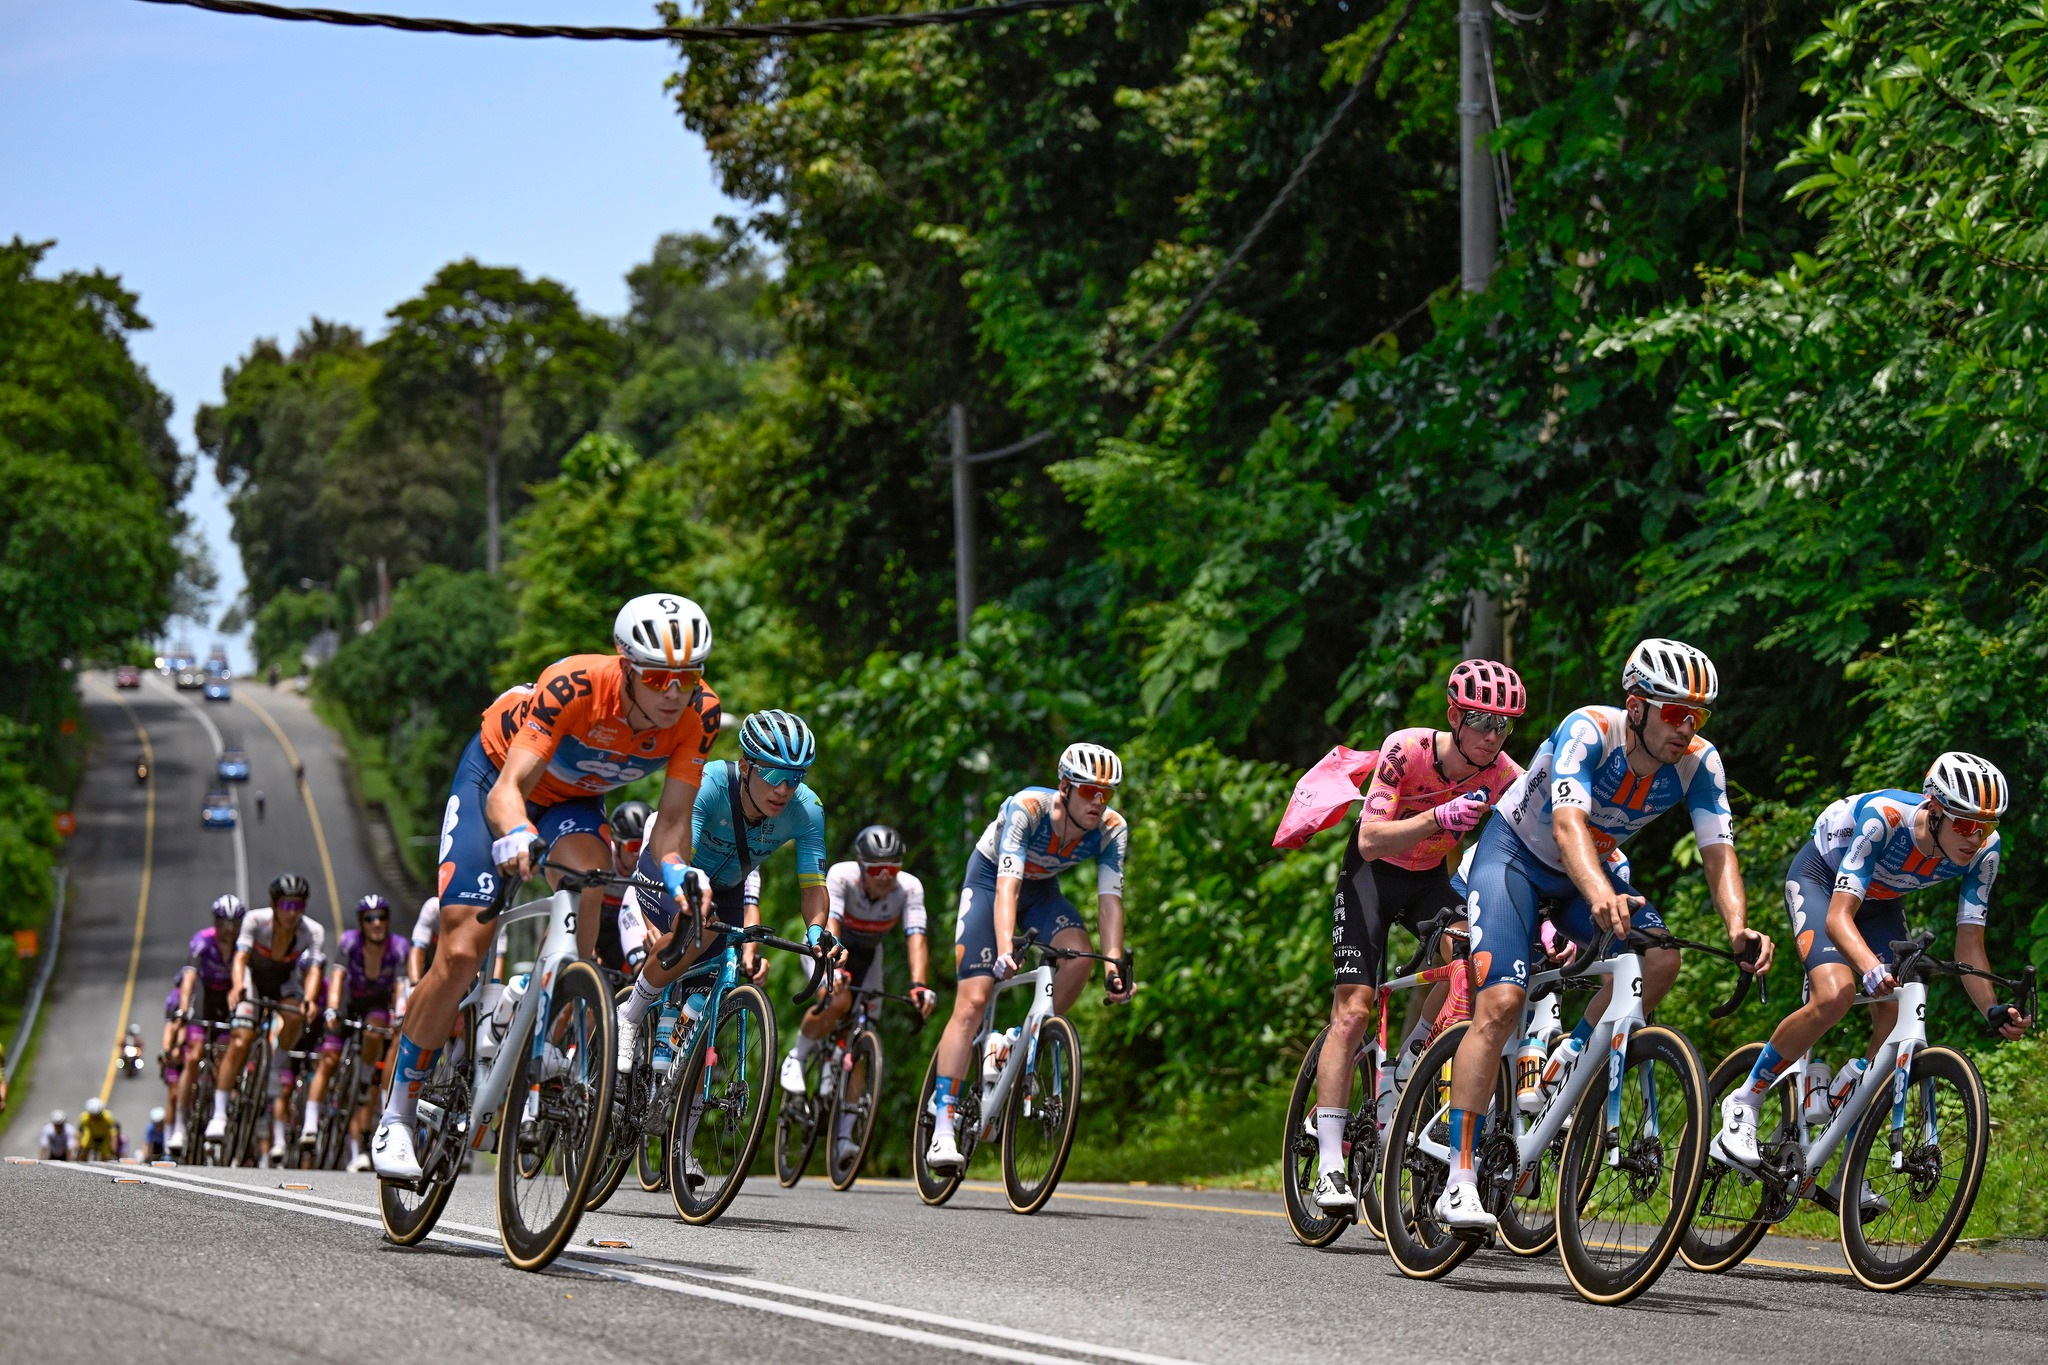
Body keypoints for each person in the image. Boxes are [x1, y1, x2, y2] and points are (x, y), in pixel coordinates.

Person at [374, 595, 721, 1179]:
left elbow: (669, 829)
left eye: (687, 678)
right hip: (497, 774)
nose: (672, 692)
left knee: (590, 879)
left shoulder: (699, 716)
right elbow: (508, 789)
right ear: (626, 664)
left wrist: (681, 872)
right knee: (460, 953)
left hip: (574, 800)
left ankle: (556, 998)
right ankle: (399, 1113)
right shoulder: (574, 685)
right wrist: (512, 833)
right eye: (658, 676)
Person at [1435, 638, 1774, 1231]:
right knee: (1501, 1004)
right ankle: (1458, 1178)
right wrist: (1600, 899)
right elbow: (1567, 823)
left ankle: (1568, 1056)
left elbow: (1719, 852)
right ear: (1635, 706)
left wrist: (1739, 927)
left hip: (1591, 870)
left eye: (1698, 716)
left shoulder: (1700, 763)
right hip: (1516, 856)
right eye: (1673, 712)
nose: (1686, 728)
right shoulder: (1589, 730)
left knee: (1661, 960)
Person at [1717, 753, 2032, 1169]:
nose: (1976, 838)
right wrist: (1869, 967)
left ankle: (1844, 1136)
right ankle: (1745, 1102)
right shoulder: (1884, 819)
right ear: (1935, 811)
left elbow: (1969, 944)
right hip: (1823, 882)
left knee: (1896, 1017)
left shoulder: (1984, 851)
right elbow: (1837, 917)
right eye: (1967, 824)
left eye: (1986, 825)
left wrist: (1991, 1008)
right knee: (1836, 994)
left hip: (1881, 903)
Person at [1308, 660, 1528, 1211]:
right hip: (1372, 878)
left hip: (1431, 881)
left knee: (1472, 958)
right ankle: (1331, 1162)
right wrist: (1439, 817)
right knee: (1355, 1010)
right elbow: (1369, 840)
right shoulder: (1406, 749)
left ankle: (1417, 1053)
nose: (1492, 737)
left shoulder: (1505, 775)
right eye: (1481, 721)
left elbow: (1545, 832)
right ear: (1454, 715)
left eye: (1504, 726)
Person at [925, 743, 1133, 1172]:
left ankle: (1017, 1041)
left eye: (1106, 793)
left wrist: (1114, 964)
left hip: (1041, 892)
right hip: (989, 881)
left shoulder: (1112, 828)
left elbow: (1110, 900)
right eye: (1090, 791)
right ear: (1064, 788)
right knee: (975, 1000)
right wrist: (1005, 948)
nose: (1098, 802)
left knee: (1080, 957)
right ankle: (943, 1124)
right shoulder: (1028, 808)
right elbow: (1006, 887)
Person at [616, 710, 841, 1070]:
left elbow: (813, 885)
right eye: (774, 773)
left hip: (727, 890)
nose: (784, 788)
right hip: (671, 872)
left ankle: (676, 1079)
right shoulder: (710, 783)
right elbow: (678, 851)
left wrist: (817, 929)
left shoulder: (807, 810)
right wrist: (690, 900)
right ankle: (629, 1015)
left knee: (703, 1006)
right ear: (746, 765)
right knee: (695, 927)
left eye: (796, 777)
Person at [780, 824, 938, 1167]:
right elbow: (831, 921)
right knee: (837, 1000)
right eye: (877, 869)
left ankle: (844, 1137)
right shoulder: (843, 876)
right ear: (861, 865)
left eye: (893, 868)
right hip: (827, 946)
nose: (885, 876)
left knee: (864, 1037)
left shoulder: (909, 888)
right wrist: (835, 967)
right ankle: (797, 1055)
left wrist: (919, 985)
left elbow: (916, 937)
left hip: (870, 955)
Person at [206, 874, 326, 1165]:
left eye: (298, 905)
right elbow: (240, 958)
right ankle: (219, 1114)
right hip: (254, 979)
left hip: (285, 982)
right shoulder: (255, 921)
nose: (292, 912)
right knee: (241, 1039)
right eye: (286, 905)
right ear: (274, 904)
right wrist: (237, 987)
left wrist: (309, 999)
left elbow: (312, 970)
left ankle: (275, 1064)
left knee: (296, 1016)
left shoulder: (313, 931)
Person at [305, 894, 410, 1169]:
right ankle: (309, 1124)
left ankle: (363, 1077)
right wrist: (331, 1007)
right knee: (328, 1059)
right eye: (369, 919)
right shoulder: (350, 942)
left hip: (375, 1004)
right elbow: (337, 976)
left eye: (381, 917)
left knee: (376, 1030)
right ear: (361, 923)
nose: (376, 923)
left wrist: (399, 1011)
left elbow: (401, 984)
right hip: (348, 1003)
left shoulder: (398, 947)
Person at [168, 894, 244, 1155]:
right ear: (216, 922)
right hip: (204, 999)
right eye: (224, 923)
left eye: (235, 923)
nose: (229, 930)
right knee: (193, 1057)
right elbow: (189, 977)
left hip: (227, 1004)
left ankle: (217, 1111)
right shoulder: (202, 942)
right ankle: (179, 1127)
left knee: (225, 1057)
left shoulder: (243, 946)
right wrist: (183, 1008)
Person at [594, 800, 654, 976]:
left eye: (645, 845)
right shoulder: (602, 858)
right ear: (617, 843)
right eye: (634, 846)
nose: (639, 853)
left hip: (627, 928)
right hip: (595, 923)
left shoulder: (651, 863)